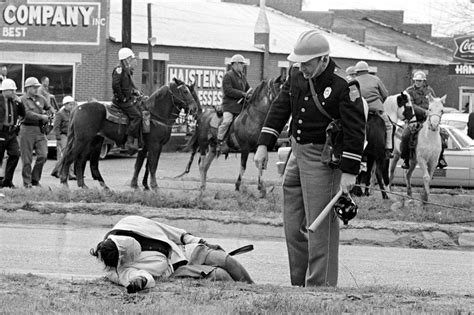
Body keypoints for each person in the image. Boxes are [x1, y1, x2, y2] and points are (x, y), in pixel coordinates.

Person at [254, 30, 365, 287]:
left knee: (321, 227)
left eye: (307, 63)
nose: (302, 68)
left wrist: (349, 172)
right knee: (293, 225)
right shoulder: (296, 74)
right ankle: (298, 284)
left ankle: (320, 287)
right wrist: (263, 144)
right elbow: (281, 106)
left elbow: (355, 130)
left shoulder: (343, 85)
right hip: (297, 152)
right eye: (299, 63)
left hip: (322, 158)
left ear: (323, 60)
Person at [91, 216, 254, 293]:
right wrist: (139, 283)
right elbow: (137, 277)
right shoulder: (118, 270)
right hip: (175, 270)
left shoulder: (132, 223)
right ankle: (241, 296)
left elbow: (170, 231)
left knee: (226, 260)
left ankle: (254, 289)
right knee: (220, 274)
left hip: (183, 251)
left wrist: (197, 240)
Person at [401, 71, 447, 169]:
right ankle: (406, 159)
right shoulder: (409, 91)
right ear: (414, 81)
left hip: (429, 120)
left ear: (424, 81)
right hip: (415, 120)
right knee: (406, 136)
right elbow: (411, 105)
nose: (418, 83)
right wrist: (424, 111)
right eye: (417, 81)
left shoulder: (429, 90)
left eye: (420, 81)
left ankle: (441, 158)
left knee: (443, 136)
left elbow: (435, 101)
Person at [20, 77, 53, 188]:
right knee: (27, 158)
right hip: (27, 129)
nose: (36, 89)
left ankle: (35, 179)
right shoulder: (23, 99)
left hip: (40, 129)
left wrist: (50, 113)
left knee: (43, 155)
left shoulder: (41, 98)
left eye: (37, 87)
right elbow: (27, 113)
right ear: (27, 88)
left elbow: (49, 108)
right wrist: (41, 116)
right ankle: (27, 182)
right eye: (34, 87)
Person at [354, 60, 392, 157]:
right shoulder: (376, 79)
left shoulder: (353, 81)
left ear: (357, 71)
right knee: (389, 126)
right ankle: (388, 149)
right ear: (367, 70)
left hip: (360, 111)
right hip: (377, 110)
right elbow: (385, 94)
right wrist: (380, 103)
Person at [217, 54, 252, 154]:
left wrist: (251, 94)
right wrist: (243, 94)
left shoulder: (243, 76)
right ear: (235, 64)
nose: (243, 66)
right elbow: (228, 90)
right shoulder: (228, 76)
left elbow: (247, 89)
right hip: (230, 106)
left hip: (241, 106)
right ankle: (219, 141)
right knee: (227, 121)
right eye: (241, 64)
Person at [112, 47, 142, 153]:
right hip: (121, 101)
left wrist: (135, 92)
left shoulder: (126, 71)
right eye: (130, 58)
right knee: (137, 116)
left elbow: (127, 86)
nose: (131, 60)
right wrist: (122, 98)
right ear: (125, 59)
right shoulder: (119, 69)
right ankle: (129, 141)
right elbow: (116, 85)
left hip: (128, 98)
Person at [0, 79, 25, 188]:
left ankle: (8, 181)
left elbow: (23, 114)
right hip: (1, 132)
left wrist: (20, 103)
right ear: (5, 90)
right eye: (12, 90)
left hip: (11, 132)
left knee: (15, 154)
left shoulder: (14, 101)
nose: (14, 93)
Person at [50, 96, 76, 180]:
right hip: (63, 135)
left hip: (71, 135)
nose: (71, 106)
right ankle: (57, 171)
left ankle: (70, 173)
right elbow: (56, 127)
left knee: (71, 154)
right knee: (63, 154)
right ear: (65, 105)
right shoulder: (60, 114)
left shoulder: (73, 113)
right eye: (70, 105)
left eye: (72, 104)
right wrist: (58, 138)